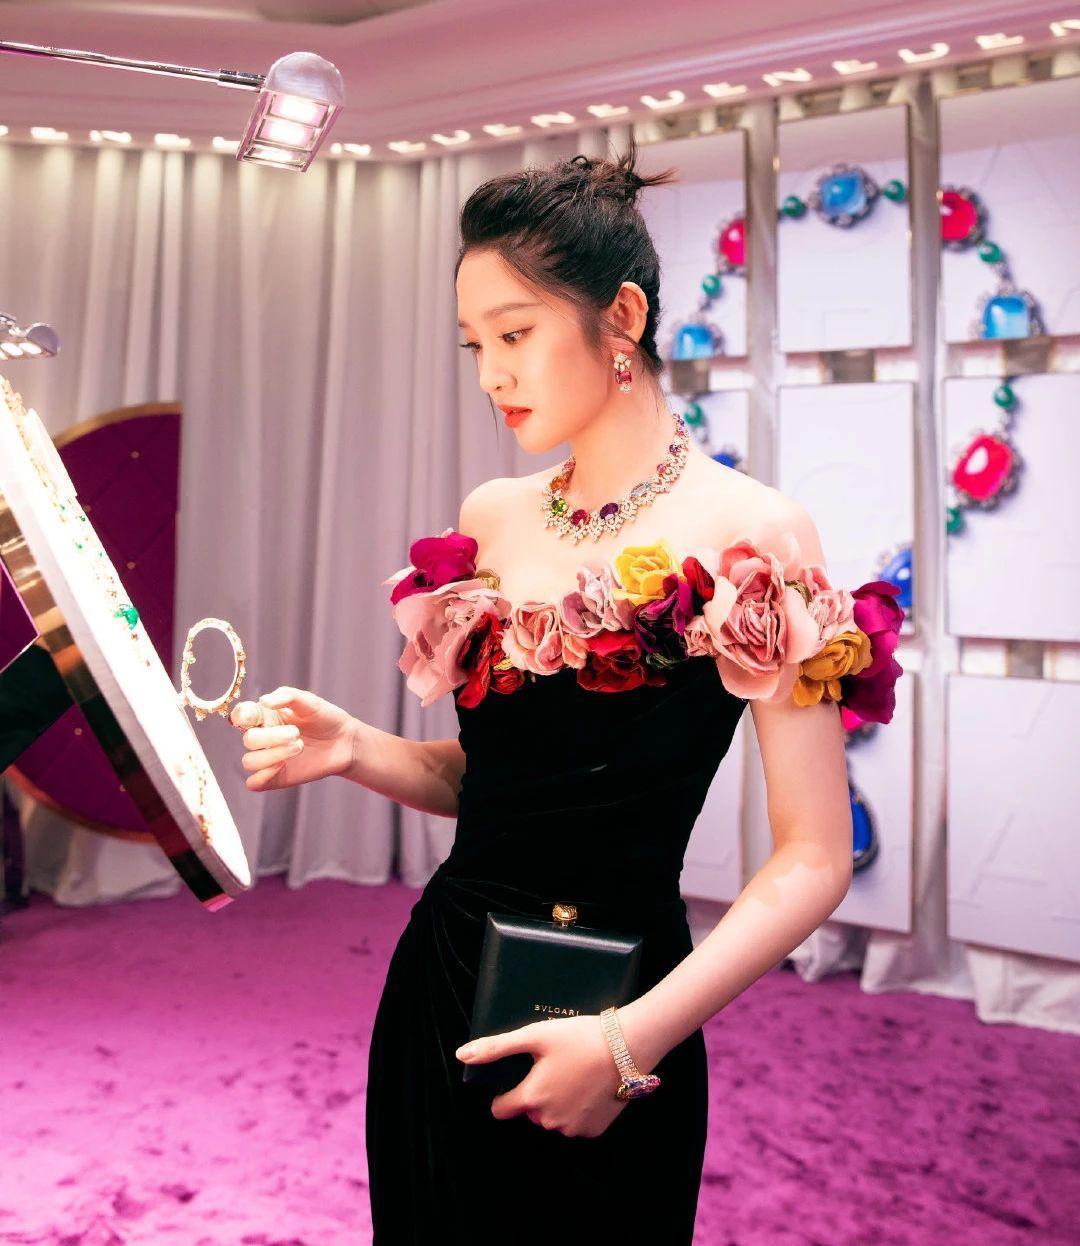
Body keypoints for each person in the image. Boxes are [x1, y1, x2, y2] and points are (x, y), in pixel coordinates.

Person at [231, 136, 884, 1244]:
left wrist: (629, 1044)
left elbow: (815, 856)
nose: (492, 374)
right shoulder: (492, 516)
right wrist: (358, 749)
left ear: (620, 317)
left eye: (516, 334)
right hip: (444, 987)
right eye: (475, 344)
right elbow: (503, 788)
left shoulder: (755, 534)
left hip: (626, 1010)